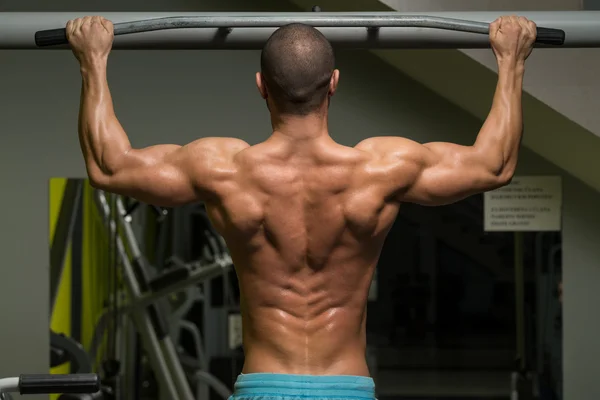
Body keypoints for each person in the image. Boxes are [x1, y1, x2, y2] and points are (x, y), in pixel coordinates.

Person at [66, 15, 536, 400]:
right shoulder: (380, 169)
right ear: (334, 83)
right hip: (347, 387)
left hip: (262, 386)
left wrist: (94, 60)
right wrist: (510, 61)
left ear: (260, 86)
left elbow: (110, 166)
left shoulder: (224, 170)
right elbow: (493, 166)